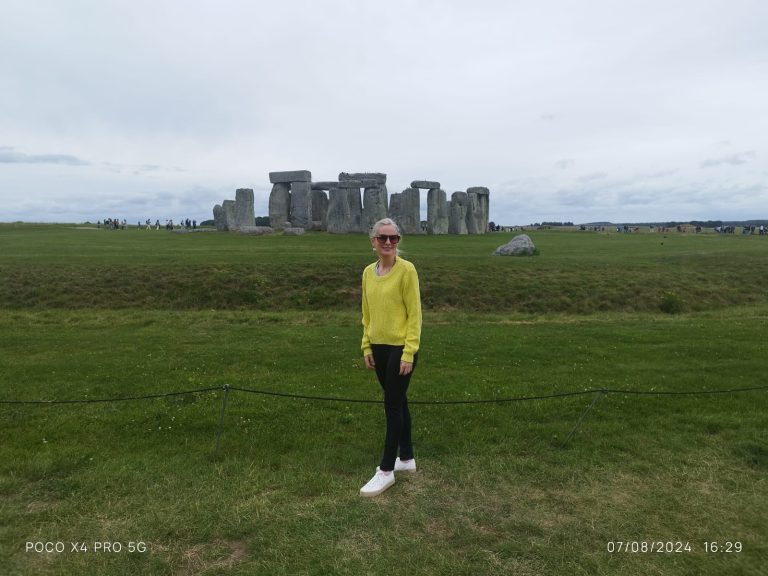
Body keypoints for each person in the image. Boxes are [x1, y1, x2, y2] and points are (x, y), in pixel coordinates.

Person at [359, 218, 422, 497]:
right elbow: (367, 313)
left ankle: (386, 471)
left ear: (398, 241)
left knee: (392, 406)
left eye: (393, 238)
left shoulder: (407, 271)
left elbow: (415, 316)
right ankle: (406, 458)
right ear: (373, 241)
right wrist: (366, 346)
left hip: (400, 349)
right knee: (399, 402)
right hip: (379, 347)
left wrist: (409, 352)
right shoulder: (367, 273)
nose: (388, 243)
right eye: (382, 238)